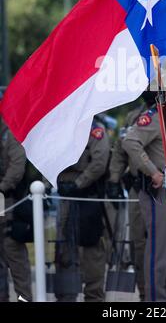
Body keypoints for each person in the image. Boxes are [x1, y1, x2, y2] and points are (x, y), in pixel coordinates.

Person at [121, 90, 166, 302]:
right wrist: (152, 171)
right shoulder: (156, 115)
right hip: (160, 192)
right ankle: (156, 302)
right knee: (159, 254)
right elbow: (130, 141)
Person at [55, 118, 110, 302]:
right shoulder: (61, 128)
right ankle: (66, 296)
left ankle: (93, 296)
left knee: (91, 249)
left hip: (87, 197)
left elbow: (99, 163)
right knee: (64, 249)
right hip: (63, 196)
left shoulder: (95, 130)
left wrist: (78, 184)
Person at [107, 102, 147, 301]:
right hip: (137, 189)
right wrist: (114, 179)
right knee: (138, 245)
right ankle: (146, 295)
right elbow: (120, 150)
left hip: (165, 189)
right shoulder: (133, 117)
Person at [0, 115, 32, 302]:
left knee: (14, 253)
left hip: (10, 200)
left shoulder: (10, 132)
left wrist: (2, 187)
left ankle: (24, 299)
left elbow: (17, 167)